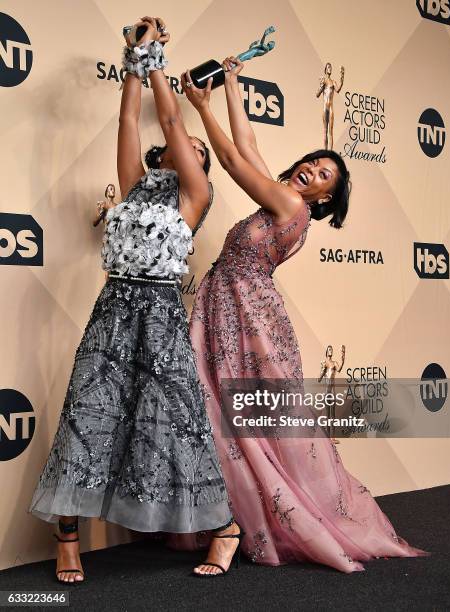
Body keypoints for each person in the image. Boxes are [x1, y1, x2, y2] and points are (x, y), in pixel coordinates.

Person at [180, 57, 428, 572]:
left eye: (324, 177)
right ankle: (230, 520)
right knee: (223, 417)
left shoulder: (291, 208)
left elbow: (228, 159)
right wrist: (231, 85)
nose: (311, 172)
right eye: (313, 164)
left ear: (323, 200)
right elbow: (247, 146)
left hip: (247, 317)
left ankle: (238, 530)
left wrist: (201, 106)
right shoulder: (284, 197)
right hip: (231, 307)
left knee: (248, 423)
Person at [28, 17, 242, 584]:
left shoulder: (195, 198)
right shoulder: (132, 188)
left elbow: (170, 116)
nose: (189, 148)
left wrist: (156, 61)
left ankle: (224, 528)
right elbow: (130, 117)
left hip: (162, 314)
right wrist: (134, 59)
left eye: (200, 151)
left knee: (177, 420)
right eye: (185, 147)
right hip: (113, 312)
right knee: (87, 415)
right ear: (162, 157)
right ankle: (67, 540)